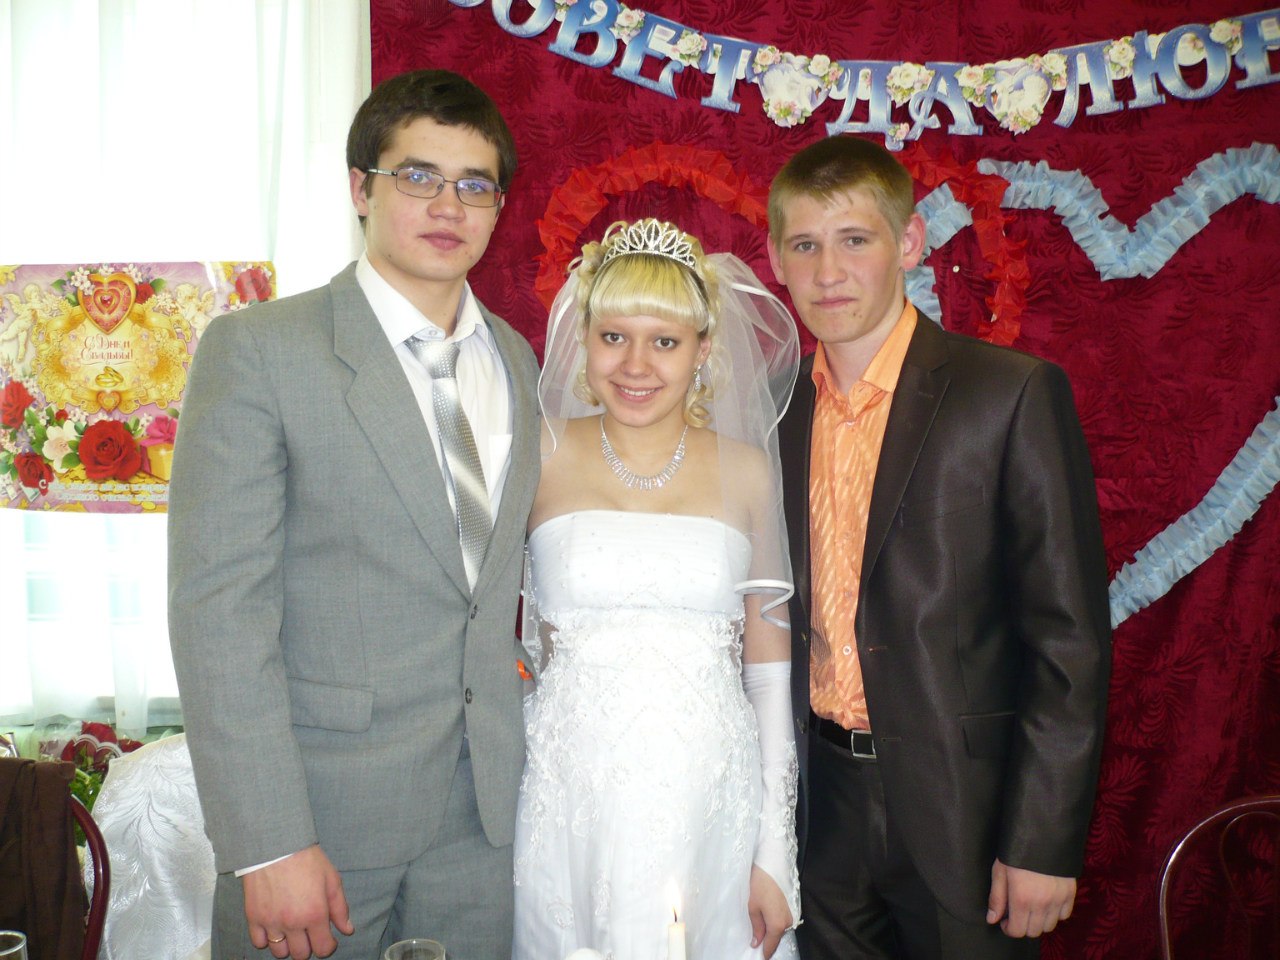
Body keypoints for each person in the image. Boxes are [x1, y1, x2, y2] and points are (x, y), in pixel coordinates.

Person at [167, 70, 540, 960]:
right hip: (320, 820)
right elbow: (218, 613)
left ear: (497, 209)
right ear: (360, 189)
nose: (447, 205)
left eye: (475, 185)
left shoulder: (517, 360)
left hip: (483, 823)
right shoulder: (260, 350)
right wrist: (267, 842)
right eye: (417, 176)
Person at [768, 135, 1111, 960]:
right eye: (804, 245)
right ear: (775, 259)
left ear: (910, 241)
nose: (828, 272)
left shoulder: (1009, 393)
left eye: (855, 240)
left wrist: (1041, 840)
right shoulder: (771, 407)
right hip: (819, 807)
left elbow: (1068, 638)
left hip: (966, 812)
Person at [513, 218, 802, 960]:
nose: (635, 365)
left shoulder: (746, 471)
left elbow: (768, 674)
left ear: (702, 351)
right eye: (614, 336)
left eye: (665, 342)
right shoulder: (538, 454)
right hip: (570, 796)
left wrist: (775, 850)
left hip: (711, 798)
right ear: (584, 340)